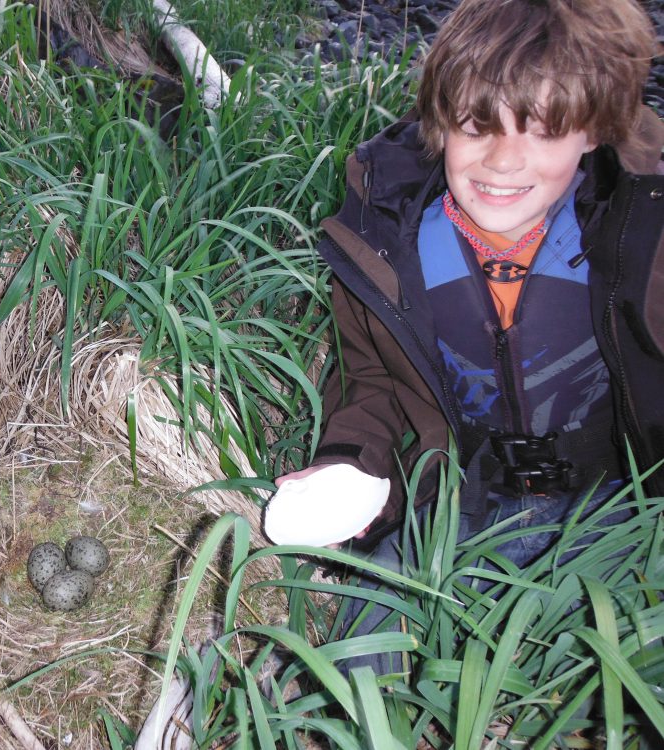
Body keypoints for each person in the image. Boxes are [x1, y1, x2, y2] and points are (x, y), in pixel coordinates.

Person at [262, 0, 664, 672]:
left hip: (623, 506)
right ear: (439, 122)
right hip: (465, 505)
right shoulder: (384, 238)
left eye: (543, 130)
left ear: (595, 131)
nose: (503, 161)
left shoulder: (643, 228)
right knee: (358, 657)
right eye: (477, 126)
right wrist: (347, 466)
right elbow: (371, 379)